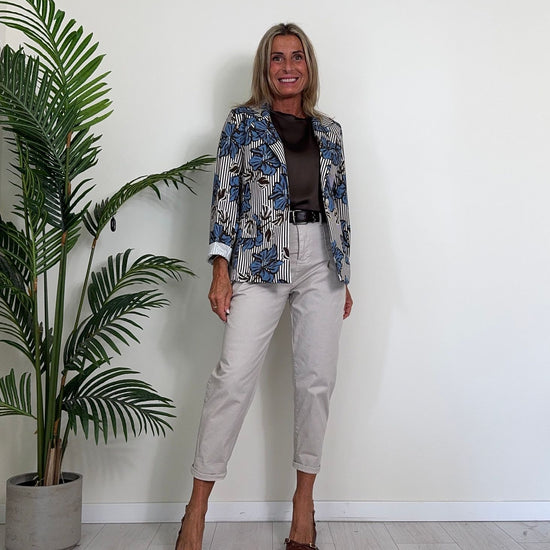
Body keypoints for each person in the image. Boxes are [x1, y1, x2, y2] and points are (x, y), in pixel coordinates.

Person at [175, 22, 353, 550]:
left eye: (297, 57)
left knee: (316, 383)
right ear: (265, 67)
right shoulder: (242, 123)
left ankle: (304, 504)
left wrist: (344, 274)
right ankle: (197, 507)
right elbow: (224, 196)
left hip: (322, 261)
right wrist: (220, 268)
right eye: (277, 57)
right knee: (231, 380)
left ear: (309, 66)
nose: (288, 66)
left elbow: (340, 204)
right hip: (258, 259)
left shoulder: (331, 131)